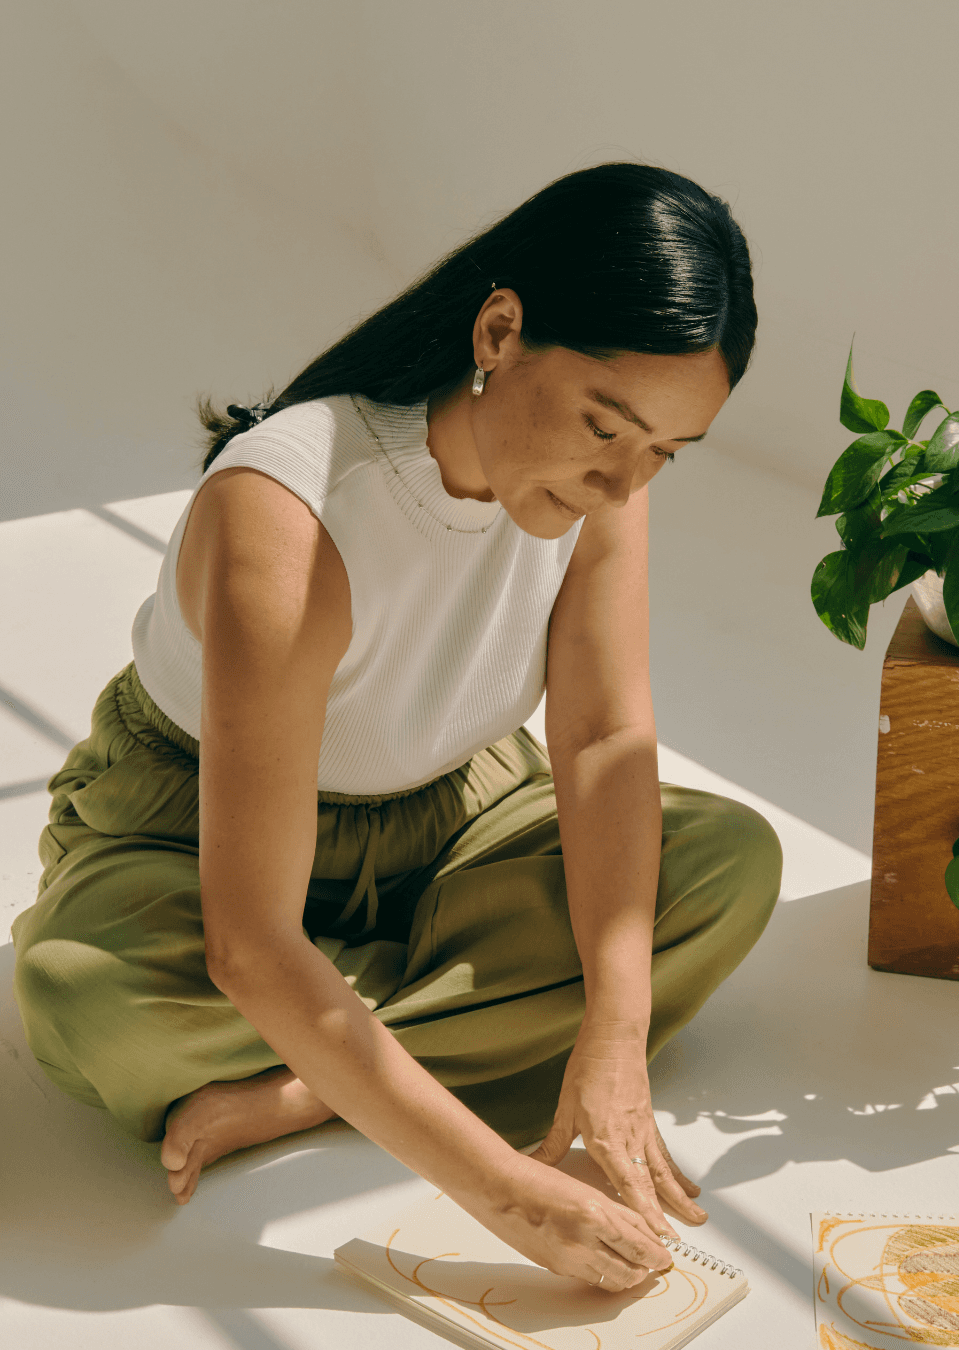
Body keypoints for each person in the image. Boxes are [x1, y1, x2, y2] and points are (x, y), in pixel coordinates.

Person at [12, 162, 781, 1293]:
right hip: (189, 836)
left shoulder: (603, 490)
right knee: (84, 1003)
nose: (622, 481)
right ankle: (385, 1039)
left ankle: (319, 1071)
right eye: (606, 426)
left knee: (726, 868)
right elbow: (247, 943)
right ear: (502, 330)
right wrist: (510, 1194)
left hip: (453, 812)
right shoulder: (291, 509)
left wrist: (616, 1034)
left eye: (662, 452)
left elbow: (604, 739)